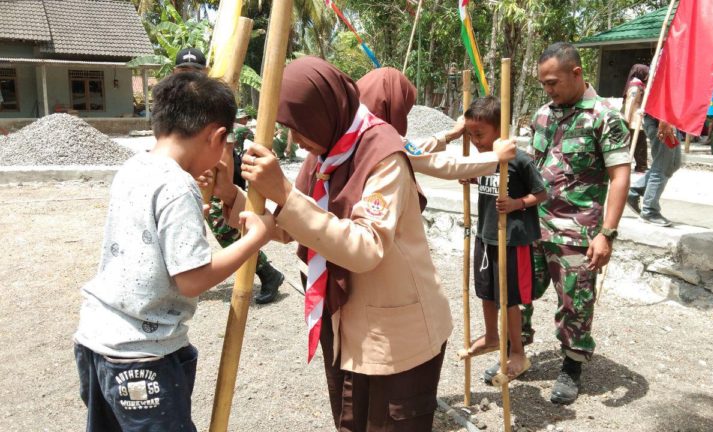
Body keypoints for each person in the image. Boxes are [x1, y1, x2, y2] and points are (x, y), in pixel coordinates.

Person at [241, 57, 452, 431]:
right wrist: (230, 197)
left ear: (323, 112)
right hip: (348, 332)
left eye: (297, 127)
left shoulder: (383, 155)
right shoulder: (326, 154)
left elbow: (365, 248)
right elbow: (289, 227)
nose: (293, 140)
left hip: (398, 340)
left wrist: (286, 196)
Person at [72, 72, 274, 431]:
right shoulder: (178, 187)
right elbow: (193, 279)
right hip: (141, 357)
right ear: (217, 136)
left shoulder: (134, 167)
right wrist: (252, 241)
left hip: (96, 341)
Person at [526, 42, 631, 405]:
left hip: (577, 231)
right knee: (518, 290)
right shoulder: (542, 115)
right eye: (543, 84)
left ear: (576, 73)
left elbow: (620, 177)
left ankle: (572, 364)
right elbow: (531, 167)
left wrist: (607, 234)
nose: (548, 90)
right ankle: (516, 352)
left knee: (575, 302)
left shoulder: (604, 117)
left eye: (553, 82)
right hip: (533, 225)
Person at [450, 96, 547, 380]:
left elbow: (542, 193)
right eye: (471, 135)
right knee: (486, 293)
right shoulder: (483, 159)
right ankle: (492, 337)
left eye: (480, 134)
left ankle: (517, 351)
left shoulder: (520, 159)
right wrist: (472, 179)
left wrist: (518, 204)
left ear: (498, 129)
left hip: (512, 240)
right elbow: (488, 182)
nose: (476, 141)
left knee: (509, 299)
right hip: (485, 235)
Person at [178, 49, 285, 304]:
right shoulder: (176, 110)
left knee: (227, 232)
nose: (188, 79)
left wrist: (219, 187)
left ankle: (267, 273)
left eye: (194, 73)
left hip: (214, 184)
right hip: (187, 183)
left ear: (204, 74)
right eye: (184, 72)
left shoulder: (214, 108)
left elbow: (224, 156)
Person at [623, 64, 650, 172]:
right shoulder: (635, 86)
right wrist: (625, 121)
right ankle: (640, 166)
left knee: (640, 144)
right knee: (638, 144)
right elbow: (629, 105)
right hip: (633, 121)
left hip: (637, 120)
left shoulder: (640, 85)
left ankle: (641, 166)